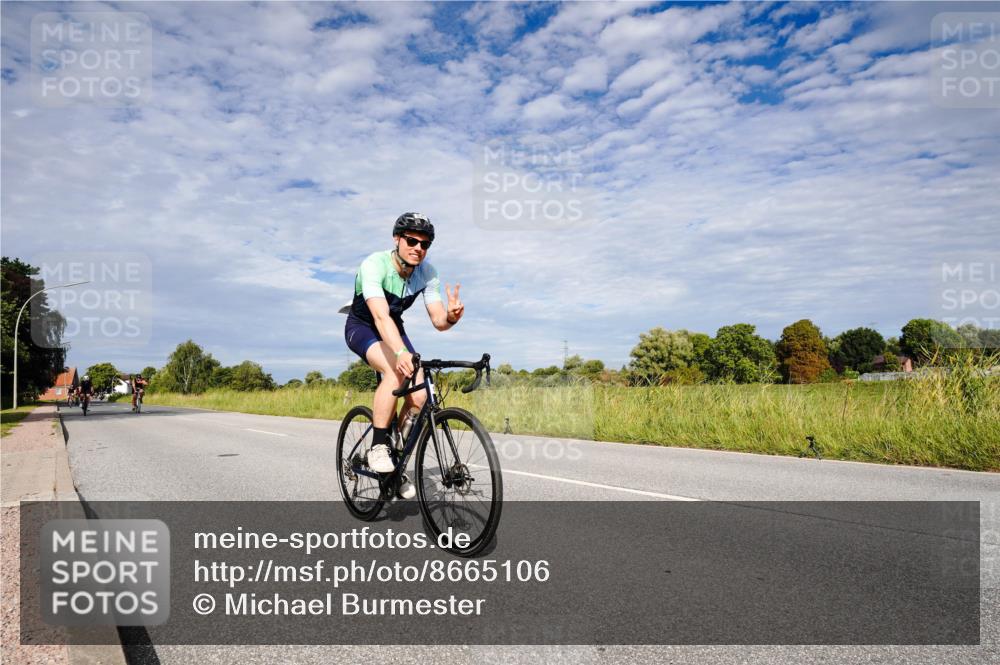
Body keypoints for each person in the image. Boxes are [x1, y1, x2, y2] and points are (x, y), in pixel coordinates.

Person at [344, 212, 464, 475]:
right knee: (396, 373)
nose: (418, 248)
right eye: (411, 241)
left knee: (420, 394)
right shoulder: (374, 265)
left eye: (424, 244)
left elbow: (438, 321)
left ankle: (395, 450)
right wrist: (399, 353)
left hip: (394, 328)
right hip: (364, 326)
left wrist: (451, 317)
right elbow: (379, 315)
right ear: (397, 239)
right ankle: (378, 447)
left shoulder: (428, 273)